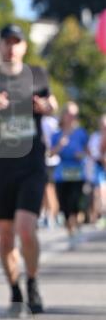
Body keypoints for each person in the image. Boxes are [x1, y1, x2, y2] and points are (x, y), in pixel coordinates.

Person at [0, 24, 57, 315]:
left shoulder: (38, 74)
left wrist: (47, 106)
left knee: (26, 230)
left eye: (17, 42)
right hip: (0, 166)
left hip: (31, 164)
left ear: (24, 47)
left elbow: (52, 103)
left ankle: (32, 281)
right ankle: (14, 289)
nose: (11, 48)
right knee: (5, 237)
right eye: (7, 42)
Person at [49, 102, 89, 246]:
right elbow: (50, 153)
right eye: (70, 114)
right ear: (64, 115)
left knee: (75, 201)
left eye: (75, 115)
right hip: (62, 173)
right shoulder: (56, 134)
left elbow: (88, 152)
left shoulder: (81, 133)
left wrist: (82, 155)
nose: (72, 117)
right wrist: (60, 145)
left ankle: (76, 228)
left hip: (77, 172)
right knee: (64, 204)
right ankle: (70, 230)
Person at [86, 114, 106, 227]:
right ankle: (100, 216)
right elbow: (91, 152)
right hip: (99, 168)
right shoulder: (95, 137)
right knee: (99, 193)